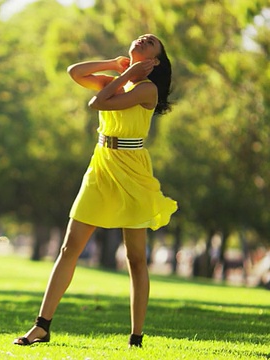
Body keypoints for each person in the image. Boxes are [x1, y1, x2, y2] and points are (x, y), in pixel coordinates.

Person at [13, 34, 178, 348]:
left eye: (152, 42)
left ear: (154, 61)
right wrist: (115, 65)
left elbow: (97, 103)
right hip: (101, 166)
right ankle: (41, 326)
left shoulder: (146, 89)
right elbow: (75, 73)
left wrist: (127, 74)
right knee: (68, 248)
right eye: (142, 38)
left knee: (135, 257)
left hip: (132, 170)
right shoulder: (120, 79)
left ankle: (136, 337)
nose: (144, 38)